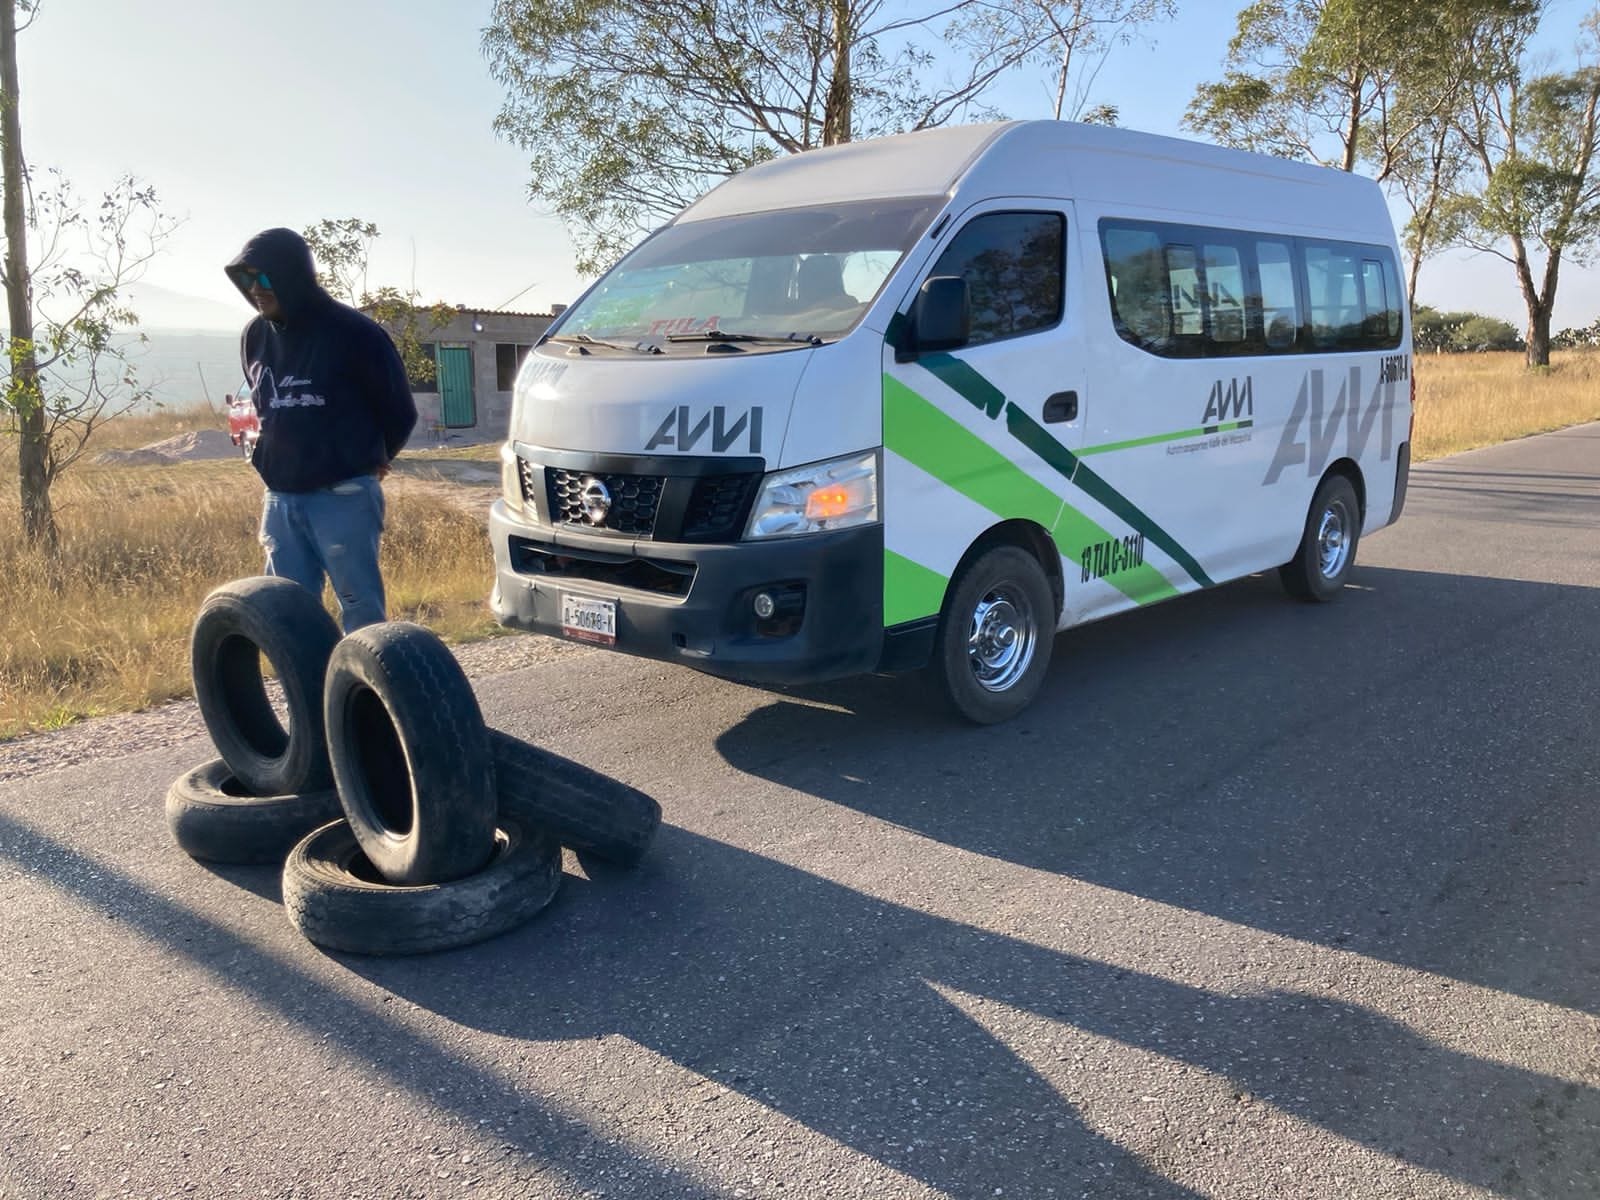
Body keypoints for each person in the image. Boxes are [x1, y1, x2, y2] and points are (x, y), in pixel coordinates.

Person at [224, 228, 417, 633]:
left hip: (342, 496)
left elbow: (400, 411)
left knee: (360, 608)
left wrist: (375, 459)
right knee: (288, 614)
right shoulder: (255, 337)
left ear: (292, 275)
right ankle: (306, 693)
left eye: (264, 278)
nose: (256, 290)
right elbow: (261, 407)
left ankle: (363, 693)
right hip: (280, 501)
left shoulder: (356, 334)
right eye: (247, 280)